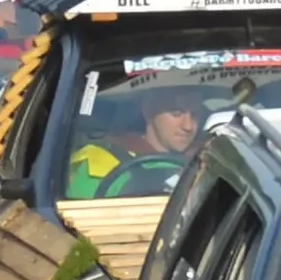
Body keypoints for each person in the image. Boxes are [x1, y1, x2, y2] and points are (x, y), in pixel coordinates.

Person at [65, 82, 207, 199]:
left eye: (195, 115)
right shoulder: (99, 163)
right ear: (149, 111)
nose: (188, 126)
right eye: (176, 114)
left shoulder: (211, 161)